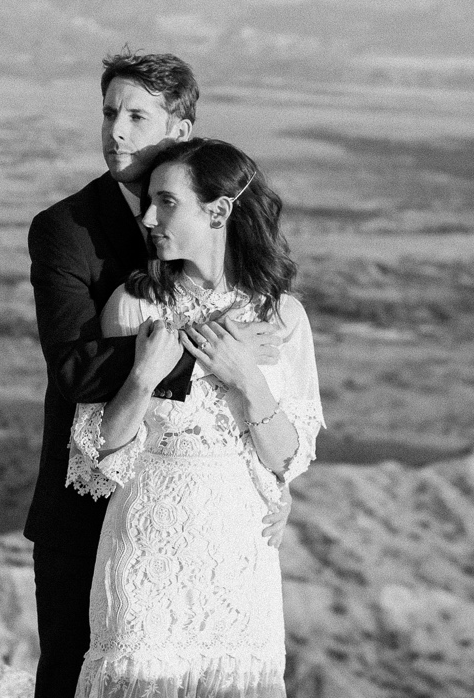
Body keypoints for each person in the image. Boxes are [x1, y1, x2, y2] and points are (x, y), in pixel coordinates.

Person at [26, 53, 287, 698]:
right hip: (89, 507)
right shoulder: (66, 229)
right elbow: (72, 370)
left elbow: (276, 404)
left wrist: (272, 478)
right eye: (110, 112)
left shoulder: (215, 215)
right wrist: (208, 352)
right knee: (74, 677)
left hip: (212, 531)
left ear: (180, 128)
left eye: (136, 116)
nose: (115, 130)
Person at [67, 138, 323, 698]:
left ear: (219, 210)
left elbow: (287, 455)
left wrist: (246, 377)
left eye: (166, 202)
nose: (147, 216)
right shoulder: (133, 306)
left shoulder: (283, 317)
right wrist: (141, 377)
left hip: (241, 557)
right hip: (146, 552)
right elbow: (95, 458)